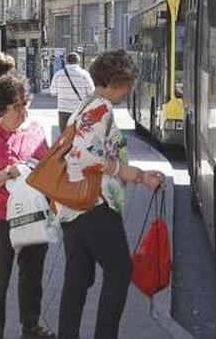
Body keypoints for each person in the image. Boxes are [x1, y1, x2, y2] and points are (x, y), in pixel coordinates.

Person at [58, 50, 165, 339]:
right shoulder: (100, 108)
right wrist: (136, 175)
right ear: (116, 80)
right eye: (128, 83)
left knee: (77, 279)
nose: (130, 90)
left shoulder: (86, 105)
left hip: (72, 206)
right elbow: (84, 156)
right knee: (119, 272)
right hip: (95, 205)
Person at [0, 75, 56, 339]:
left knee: (32, 273)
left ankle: (30, 327)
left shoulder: (35, 129)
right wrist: (7, 173)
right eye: (18, 106)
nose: (24, 110)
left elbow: (47, 167)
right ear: (2, 107)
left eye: (26, 103)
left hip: (32, 212)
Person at [48, 52, 93, 133]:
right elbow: (91, 92)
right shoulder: (84, 74)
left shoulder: (58, 74)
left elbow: (52, 92)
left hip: (63, 110)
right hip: (79, 110)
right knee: (80, 137)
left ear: (66, 61)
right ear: (78, 61)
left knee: (65, 138)